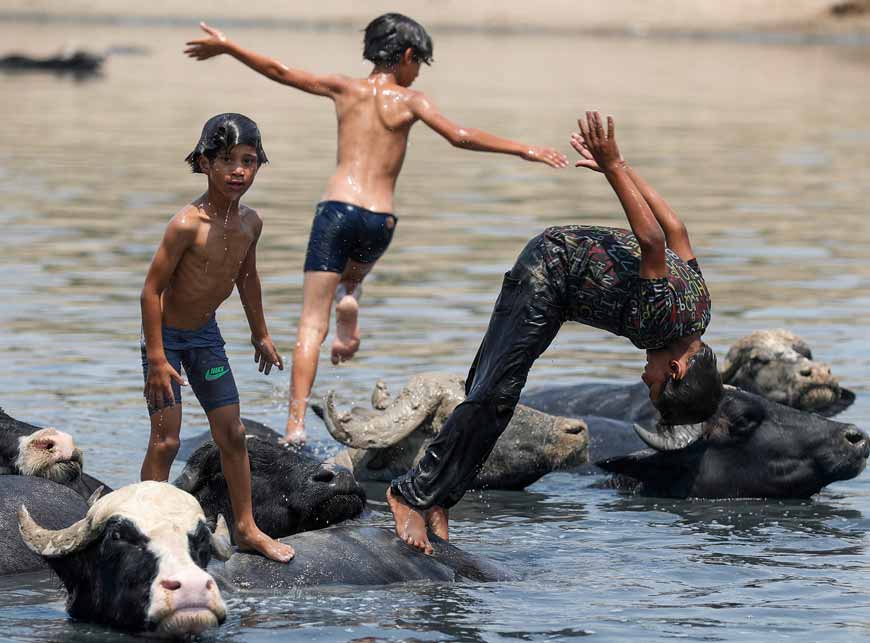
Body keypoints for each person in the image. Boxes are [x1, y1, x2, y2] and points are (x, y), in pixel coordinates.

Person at [183, 13, 569, 444]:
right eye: (419, 63)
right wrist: (524, 149)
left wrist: (229, 46)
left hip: (336, 210)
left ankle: (294, 426)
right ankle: (351, 295)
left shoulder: (345, 88)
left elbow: (281, 71)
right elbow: (459, 136)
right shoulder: (411, 101)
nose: (417, 72)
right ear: (406, 56)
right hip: (379, 219)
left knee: (312, 322)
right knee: (352, 278)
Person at [387, 111, 724, 554]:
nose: (646, 379)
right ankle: (407, 495)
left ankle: (438, 500)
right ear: (678, 369)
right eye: (656, 384)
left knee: (491, 395)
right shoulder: (661, 322)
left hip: (559, 288)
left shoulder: (700, 311)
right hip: (547, 273)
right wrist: (616, 167)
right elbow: (654, 242)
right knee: (493, 396)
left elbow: (676, 230)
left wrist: (617, 165)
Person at [139, 113, 295, 563]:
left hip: (205, 336)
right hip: (165, 340)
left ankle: (246, 529)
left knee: (233, 432)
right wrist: (155, 359)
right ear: (205, 163)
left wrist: (260, 333)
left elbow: (247, 277)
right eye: (227, 160)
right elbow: (151, 291)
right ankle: (148, 526)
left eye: (249, 161)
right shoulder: (187, 224)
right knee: (166, 440)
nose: (238, 171)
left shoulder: (251, 224)